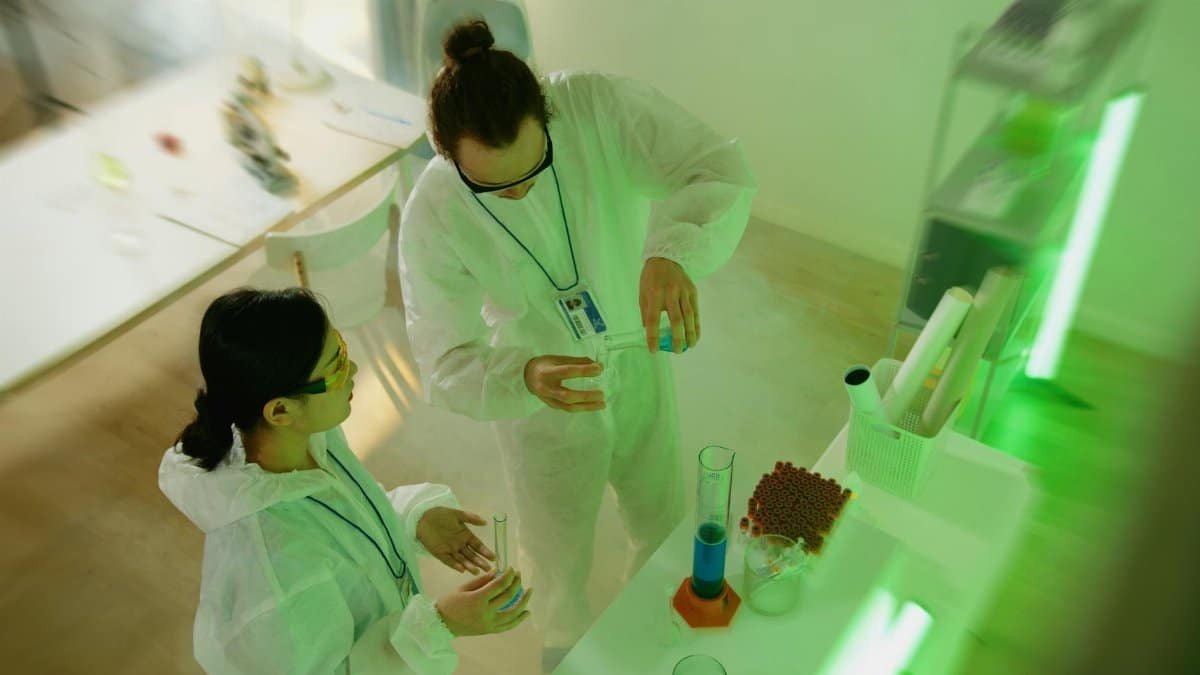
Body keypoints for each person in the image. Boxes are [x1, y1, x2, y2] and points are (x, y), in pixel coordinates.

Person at [397, 18, 756, 663]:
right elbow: (443, 355)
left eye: (533, 168)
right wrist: (521, 375)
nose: (521, 190)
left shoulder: (595, 107)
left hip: (635, 348)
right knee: (554, 539)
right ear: (446, 153)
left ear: (546, 114)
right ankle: (564, 644)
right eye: (496, 188)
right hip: (542, 388)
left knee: (660, 503)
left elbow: (716, 167)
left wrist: (673, 252)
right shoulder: (433, 211)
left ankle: (656, 616)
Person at [158, 287, 532, 674]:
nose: (352, 371)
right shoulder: (275, 560)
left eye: (341, 348)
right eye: (334, 367)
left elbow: (338, 520)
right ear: (281, 409)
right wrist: (440, 625)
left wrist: (411, 519)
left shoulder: (305, 440)